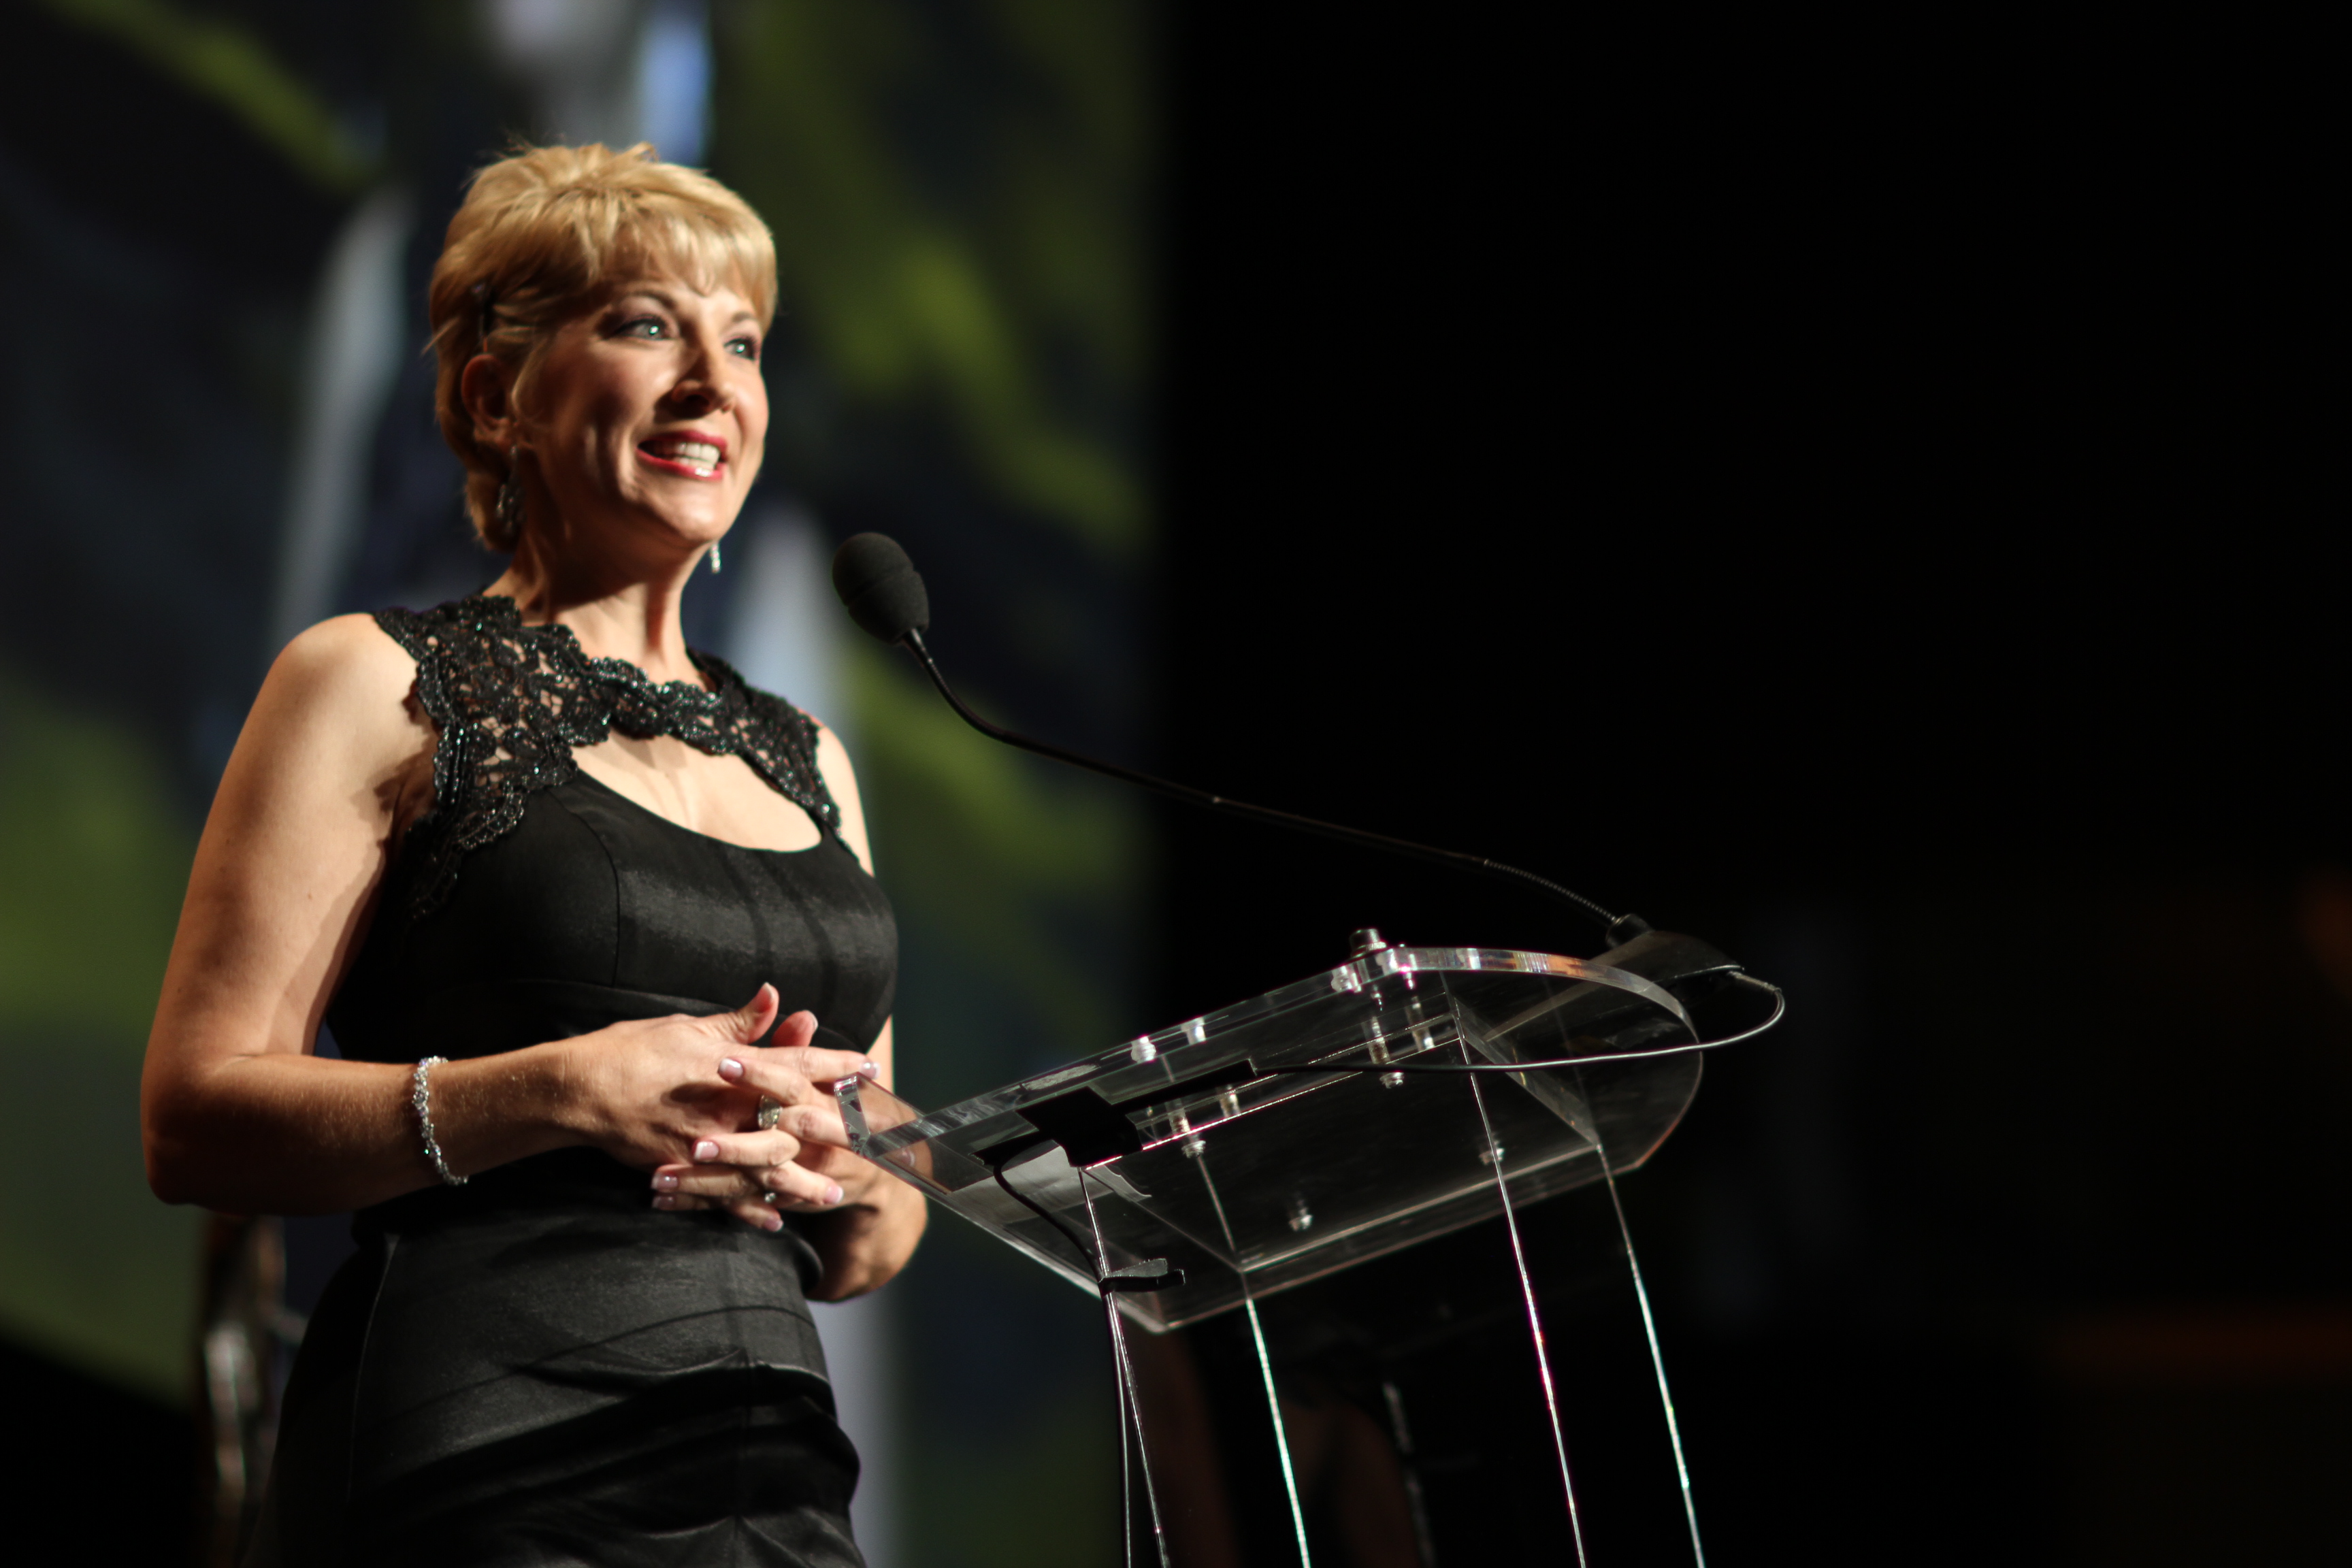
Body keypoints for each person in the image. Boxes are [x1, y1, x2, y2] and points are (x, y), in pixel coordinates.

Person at [140, 142, 924, 1567]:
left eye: (743, 343)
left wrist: (851, 1163)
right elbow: (195, 1117)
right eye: (648, 325)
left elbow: (873, 1236)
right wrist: (560, 1090)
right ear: (502, 397)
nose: (713, 384)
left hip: (774, 1478)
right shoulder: (373, 682)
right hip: (480, 1462)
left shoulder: (813, 757)